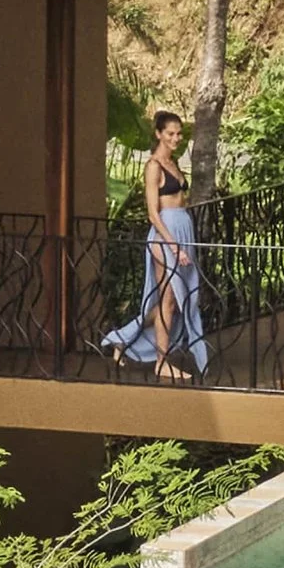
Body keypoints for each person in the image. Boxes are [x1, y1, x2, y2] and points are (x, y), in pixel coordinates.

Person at [101, 111, 207, 382]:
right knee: (169, 301)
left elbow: (180, 199)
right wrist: (173, 246)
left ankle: (122, 339)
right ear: (158, 134)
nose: (176, 138)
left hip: (182, 230)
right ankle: (162, 362)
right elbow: (153, 213)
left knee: (174, 301)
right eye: (170, 133)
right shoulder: (154, 166)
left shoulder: (173, 163)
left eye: (179, 133)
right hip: (164, 236)